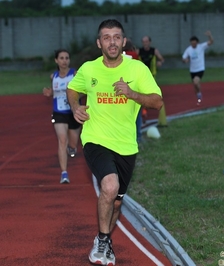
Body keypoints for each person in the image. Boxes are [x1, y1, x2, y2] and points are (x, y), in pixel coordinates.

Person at [67, 19, 163, 265]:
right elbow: (72, 88)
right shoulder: (89, 69)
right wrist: (75, 106)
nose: (112, 41)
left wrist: (132, 93)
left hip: (126, 145)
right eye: (107, 37)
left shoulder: (137, 70)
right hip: (95, 139)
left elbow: (157, 102)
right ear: (99, 43)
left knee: (117, 202)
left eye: (116, 37)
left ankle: (105, 240)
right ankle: (102, 240)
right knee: (109, 187)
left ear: (123, 41)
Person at [43, 49, 81, 184]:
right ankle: (64, 173)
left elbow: (82, 91)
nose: (64, 61)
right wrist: (49, 93)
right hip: (59, 113)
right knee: (62, 140)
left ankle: (72, 148)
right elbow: (54, 92)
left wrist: (76, 97)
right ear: (56, 60)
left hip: (73, 113)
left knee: (72, 144)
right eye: (62, 58)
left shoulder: (75, 74)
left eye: (67, 58)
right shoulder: (53, 77)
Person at [182, 31, 214, 105]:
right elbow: (183, 58)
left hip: (200, 69)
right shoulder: (188, 49)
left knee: (196, 82)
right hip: (192, 70)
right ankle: (199, 98)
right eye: (192, 43)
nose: (193, 45)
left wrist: (210, 35)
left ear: (197, 42)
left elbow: (211, 42)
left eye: (194, 43)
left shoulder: (201, 47)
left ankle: (200, 96)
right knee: (195, 85)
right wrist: (185, 60)